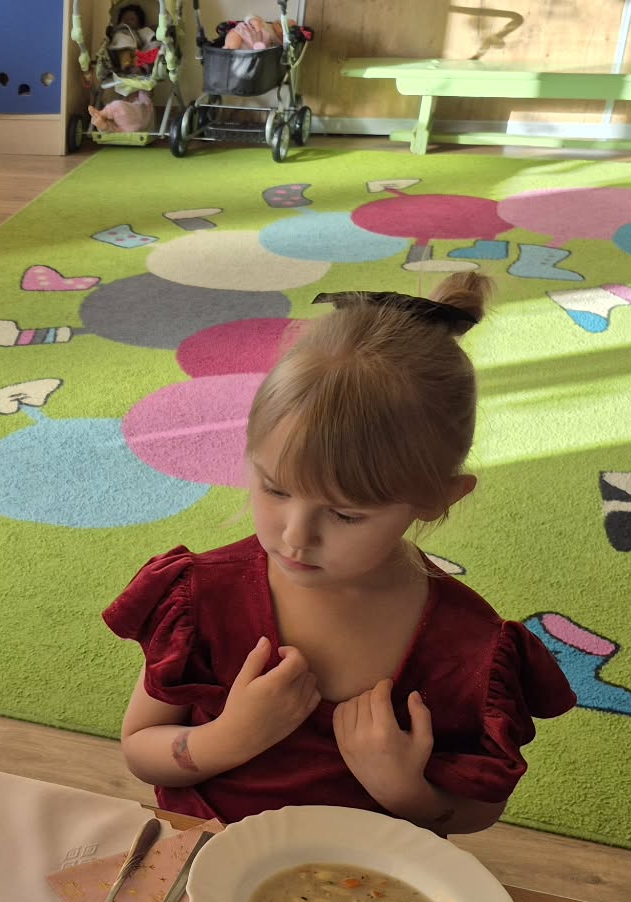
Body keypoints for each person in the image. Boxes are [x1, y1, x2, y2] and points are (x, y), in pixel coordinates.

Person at [107, 275, 575, 833]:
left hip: (360, 878)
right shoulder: (201, 596)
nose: (296, 535)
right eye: (274, 489)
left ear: (438, 499)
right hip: (201, 854)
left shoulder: (470, 647)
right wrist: (227, 739)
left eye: (346, 514)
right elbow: (140, 748)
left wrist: (405, 790)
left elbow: (478, 810)